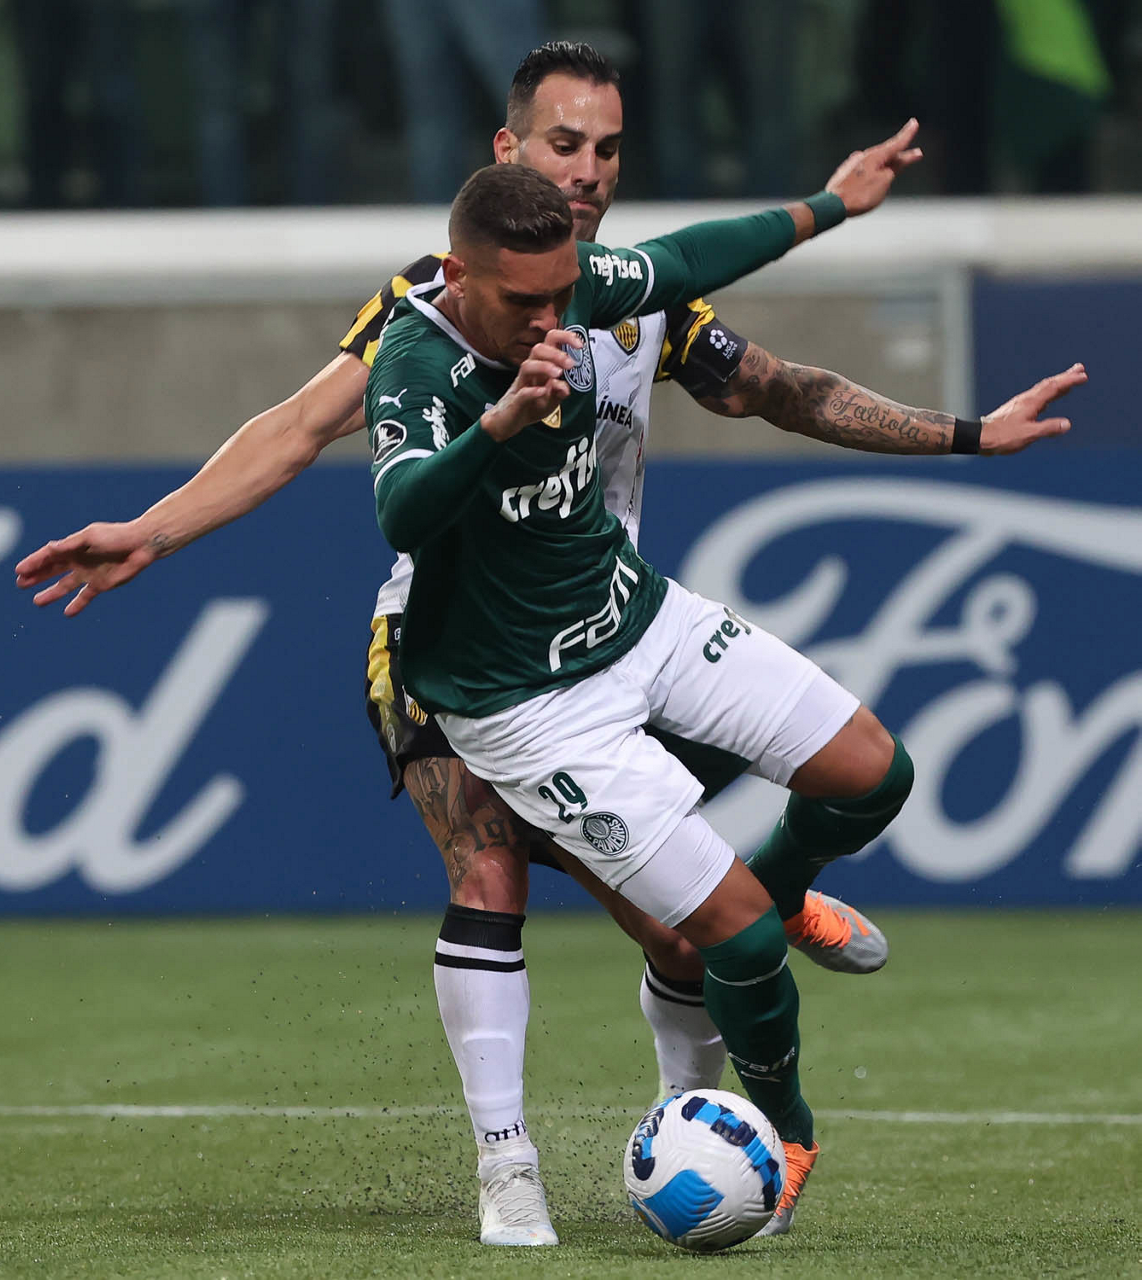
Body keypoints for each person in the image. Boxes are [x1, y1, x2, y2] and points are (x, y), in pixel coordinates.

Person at [13, 41, 1083, 1247]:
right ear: (508, 149)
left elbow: (774, 383)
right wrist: (154, 529)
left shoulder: (616, 289)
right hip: (462, 653)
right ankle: (508, 1162)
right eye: (564, 144)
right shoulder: (433, 306)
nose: (588, 169)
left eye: (608, 148)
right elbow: (304, 428)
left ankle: (722, 1056)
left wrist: (937, 392)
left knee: (706, 921)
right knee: (490, 871)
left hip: (614, 619)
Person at [363, 160, 1082, 1242]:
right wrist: (500, 423)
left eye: (563, 294)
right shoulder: (416, 359)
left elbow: (691, 258)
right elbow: (402, 514)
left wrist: (831, 204)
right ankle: (785, 1135)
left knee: (874, 773)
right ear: (460, 276)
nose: (552, 318)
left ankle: (784, 891)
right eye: (524, 302)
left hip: (634, 618)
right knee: (727, 944)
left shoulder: (571, 288)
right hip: (525, 708)